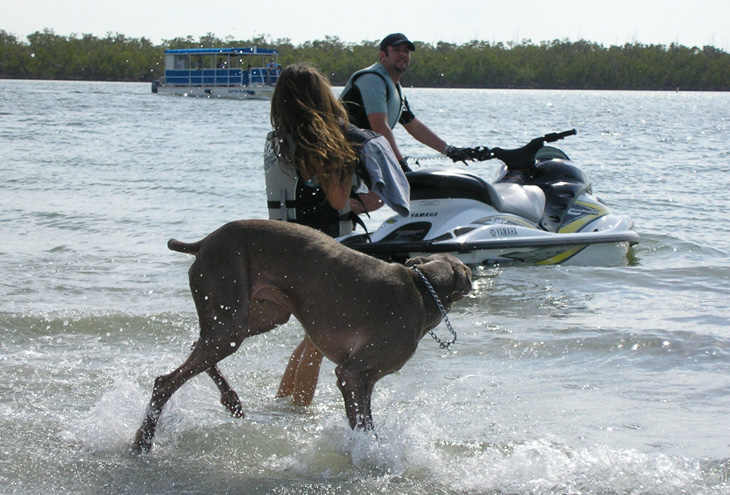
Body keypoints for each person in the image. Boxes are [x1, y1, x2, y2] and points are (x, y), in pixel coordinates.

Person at [264, 64, 410, 405]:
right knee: (318, 343)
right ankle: (296, 412)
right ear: (321, 96)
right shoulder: (327, 143)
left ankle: (283, 407)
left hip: (281, 248)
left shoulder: (277, 141)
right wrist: (370, 200)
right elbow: (338, 200)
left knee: (310, 340)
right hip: (323, 251)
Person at [340, 33, 477, 171]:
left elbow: (414, 127)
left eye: (406, 51)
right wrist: (400, 165)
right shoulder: (372, 79)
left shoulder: (394, 87)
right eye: (396, 50)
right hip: (338, 154)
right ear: (383, 55)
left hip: (360, 157)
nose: (402, 54)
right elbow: (380, 127)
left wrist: (450, 151)